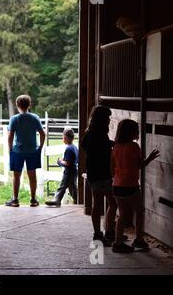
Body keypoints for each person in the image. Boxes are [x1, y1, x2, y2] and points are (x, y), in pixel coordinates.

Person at [111, 119, 160, 253]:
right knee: (139, 212)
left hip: (117, 185)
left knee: (122, 214)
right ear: (130, 132)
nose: (137, 132)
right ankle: (139, 239)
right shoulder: (133, 147)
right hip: (130, 185)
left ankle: (117, 242)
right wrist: (150, 158)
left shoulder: (116, 147)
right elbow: (140, 165)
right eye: (136, 130)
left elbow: (112, 167)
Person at [80, 105, 118, 246]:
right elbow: (103, 149)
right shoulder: (100, 134)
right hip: (103, 173)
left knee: (98, 203)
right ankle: (107, 231)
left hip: (94, 172)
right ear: (102, 119)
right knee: (111, 203)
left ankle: (99, 233)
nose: (109, 120)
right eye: (107, 118)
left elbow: (84, 146)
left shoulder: (90, 133)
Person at [6, 95, 46, 207]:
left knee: (17, 176)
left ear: (17, 105)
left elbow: (10, 136)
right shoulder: (34, 118)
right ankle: (33, 200)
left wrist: (10, 149)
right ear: (29, 105)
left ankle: (15, 200)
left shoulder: (14, 119)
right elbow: (42, 134)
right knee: (32, 175)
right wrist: (40, 147)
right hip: (32, 150)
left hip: (18, 151)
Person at [45, 128, 78, 207]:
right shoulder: (74, 147)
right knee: (72, 187)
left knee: (63, 186)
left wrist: (60, 162)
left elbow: (67, 163)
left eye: (63, 137)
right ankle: (78, 199)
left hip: (69, 171)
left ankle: (57, 200)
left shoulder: (69, 149)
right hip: (74, 170)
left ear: (65, 138)